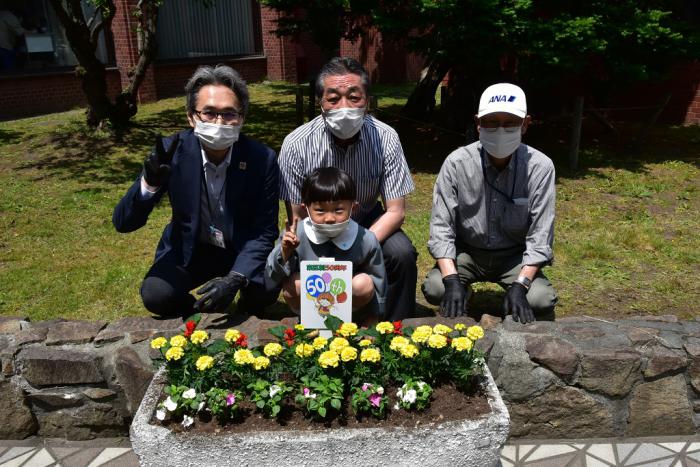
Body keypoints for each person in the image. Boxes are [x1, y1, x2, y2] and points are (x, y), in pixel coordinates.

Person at [113, 65, 280, 318]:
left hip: (240, 247)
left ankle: (245, 303)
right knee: (156, 294)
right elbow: (124, 223)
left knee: (266, 292)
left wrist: (236, 278)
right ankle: (199, 311)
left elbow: (265, 231)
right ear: (191, 117)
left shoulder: (261, 159)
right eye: (209, 113)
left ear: (242, 117)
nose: (219, 122)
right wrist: (150, 184)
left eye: (229, 114)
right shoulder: (171, 152)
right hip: (191, 248)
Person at [278, 57, 417, 321]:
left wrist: (357, 244)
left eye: (354, 97)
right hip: (317, 225)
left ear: (367, 101)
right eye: (333, 98)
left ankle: (397, 324)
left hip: (367, 220)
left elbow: (396, 211)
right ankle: (319, 320)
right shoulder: (295, 144)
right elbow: (298, 217)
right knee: (301, 269)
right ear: (320, 102)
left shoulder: (386, 138)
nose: (344, 106)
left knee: (401, 253)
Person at [421, 83, 557, 324]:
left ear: (525, 124)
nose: (500, 130)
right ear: (478, 123)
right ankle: (462, 290)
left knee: (541, 300)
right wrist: (451, 279)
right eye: (492, 122)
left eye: (510, 123)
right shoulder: (456, 163)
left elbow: (541, 235)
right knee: (436, 289)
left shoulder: (540, 167)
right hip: (468, 252)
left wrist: (522, 284)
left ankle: (514, 290)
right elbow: (441, 228)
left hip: (515, 255)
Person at [266, 167, 387, 322]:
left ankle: (352, 319)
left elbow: (378, 279)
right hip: (310, 300)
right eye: (320, 211)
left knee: (364, 283)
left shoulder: (366, 238)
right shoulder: (297, 234)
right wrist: (285, 252)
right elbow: (272, 277)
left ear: (353, 208)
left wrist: (374, 315)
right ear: (306, 209)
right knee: (293, 283)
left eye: (338, 210)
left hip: (350, 301)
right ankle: (309, 320)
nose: (329, 218)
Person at [0, 5, 25, 70]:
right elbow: (19, 32)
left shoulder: (2, 15)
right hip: (3, 47)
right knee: (9, 71)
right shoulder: (9, 16)